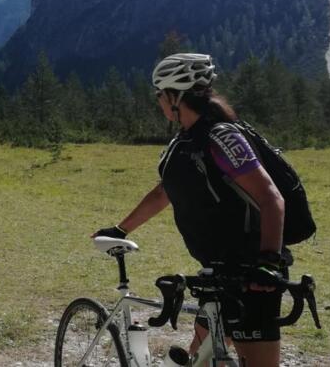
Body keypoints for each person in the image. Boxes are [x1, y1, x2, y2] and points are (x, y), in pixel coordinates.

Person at [93, 53, 288, 367]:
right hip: (217, 274)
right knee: (199, 357)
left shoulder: (221, 137)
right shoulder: (184, 142)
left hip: (251, 276)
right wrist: (121, 229)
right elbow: (164, 192)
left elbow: (272, 199)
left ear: (174, 97)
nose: (157, 101)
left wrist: (268, 262)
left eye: (159, 94)